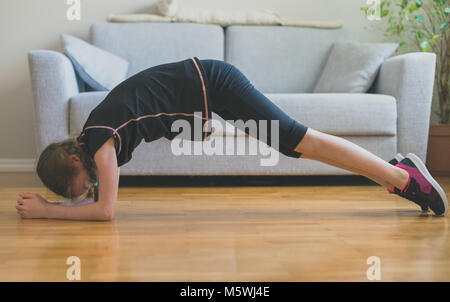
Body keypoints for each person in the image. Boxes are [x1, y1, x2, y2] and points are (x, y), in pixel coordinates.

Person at [16, 57, 448, 220]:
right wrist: (196, 121)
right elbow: (146, 101)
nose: (89, 191)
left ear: (74, 162)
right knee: (298, 144)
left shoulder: (99, 143)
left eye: (80, 189)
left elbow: (105, 212)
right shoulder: (95, 131)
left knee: (301, 141)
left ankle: (408, 179)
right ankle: (398, 176)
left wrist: (47, 212)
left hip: (215, 84)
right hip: (209, 88)